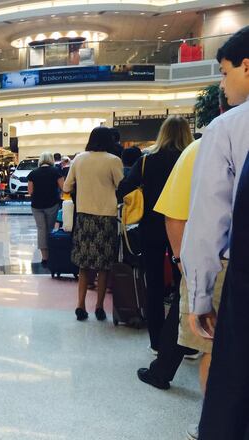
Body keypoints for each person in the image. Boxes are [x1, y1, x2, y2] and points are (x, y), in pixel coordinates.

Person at [132, 91, 234, 439]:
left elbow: (173, 215)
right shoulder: (197, 150)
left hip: (180, 241)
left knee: (170, 296)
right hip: (218, 249)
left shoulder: (169, 157)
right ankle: (171, 358)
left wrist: (181, 260)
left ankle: (163, 356)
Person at [180, 26, 249, 440]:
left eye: (224, 73)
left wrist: (200, 294)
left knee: (233, 395)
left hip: (242, 279)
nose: (222, 85)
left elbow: (209, 217)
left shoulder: (227, 128)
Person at [117, 116, 192, 354]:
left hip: (152, 227)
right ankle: (186, 343)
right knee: (185, 285)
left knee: (155, 284)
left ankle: (157, 342)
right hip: (185, 227)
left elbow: (123, 190)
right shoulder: (191, 159)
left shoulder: (146, 161)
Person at [63, 126, 124, 321]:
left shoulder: (79, 159)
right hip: (106, 217)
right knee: (103, 266)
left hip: (84, 217)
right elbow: (122, 187)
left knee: (84, 265)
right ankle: (99, 307)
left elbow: (66, 186)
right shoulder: (114, 161)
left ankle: (80, 305)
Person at [28, 152, 64, 266]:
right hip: (52, 204)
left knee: (41, 229)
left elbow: (30, 191)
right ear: (51, 160)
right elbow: (63, 187)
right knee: (49, 229)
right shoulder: (56, 171)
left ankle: (44, 257)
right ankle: (52, 254)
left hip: (36, 205)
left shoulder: (33, 173)